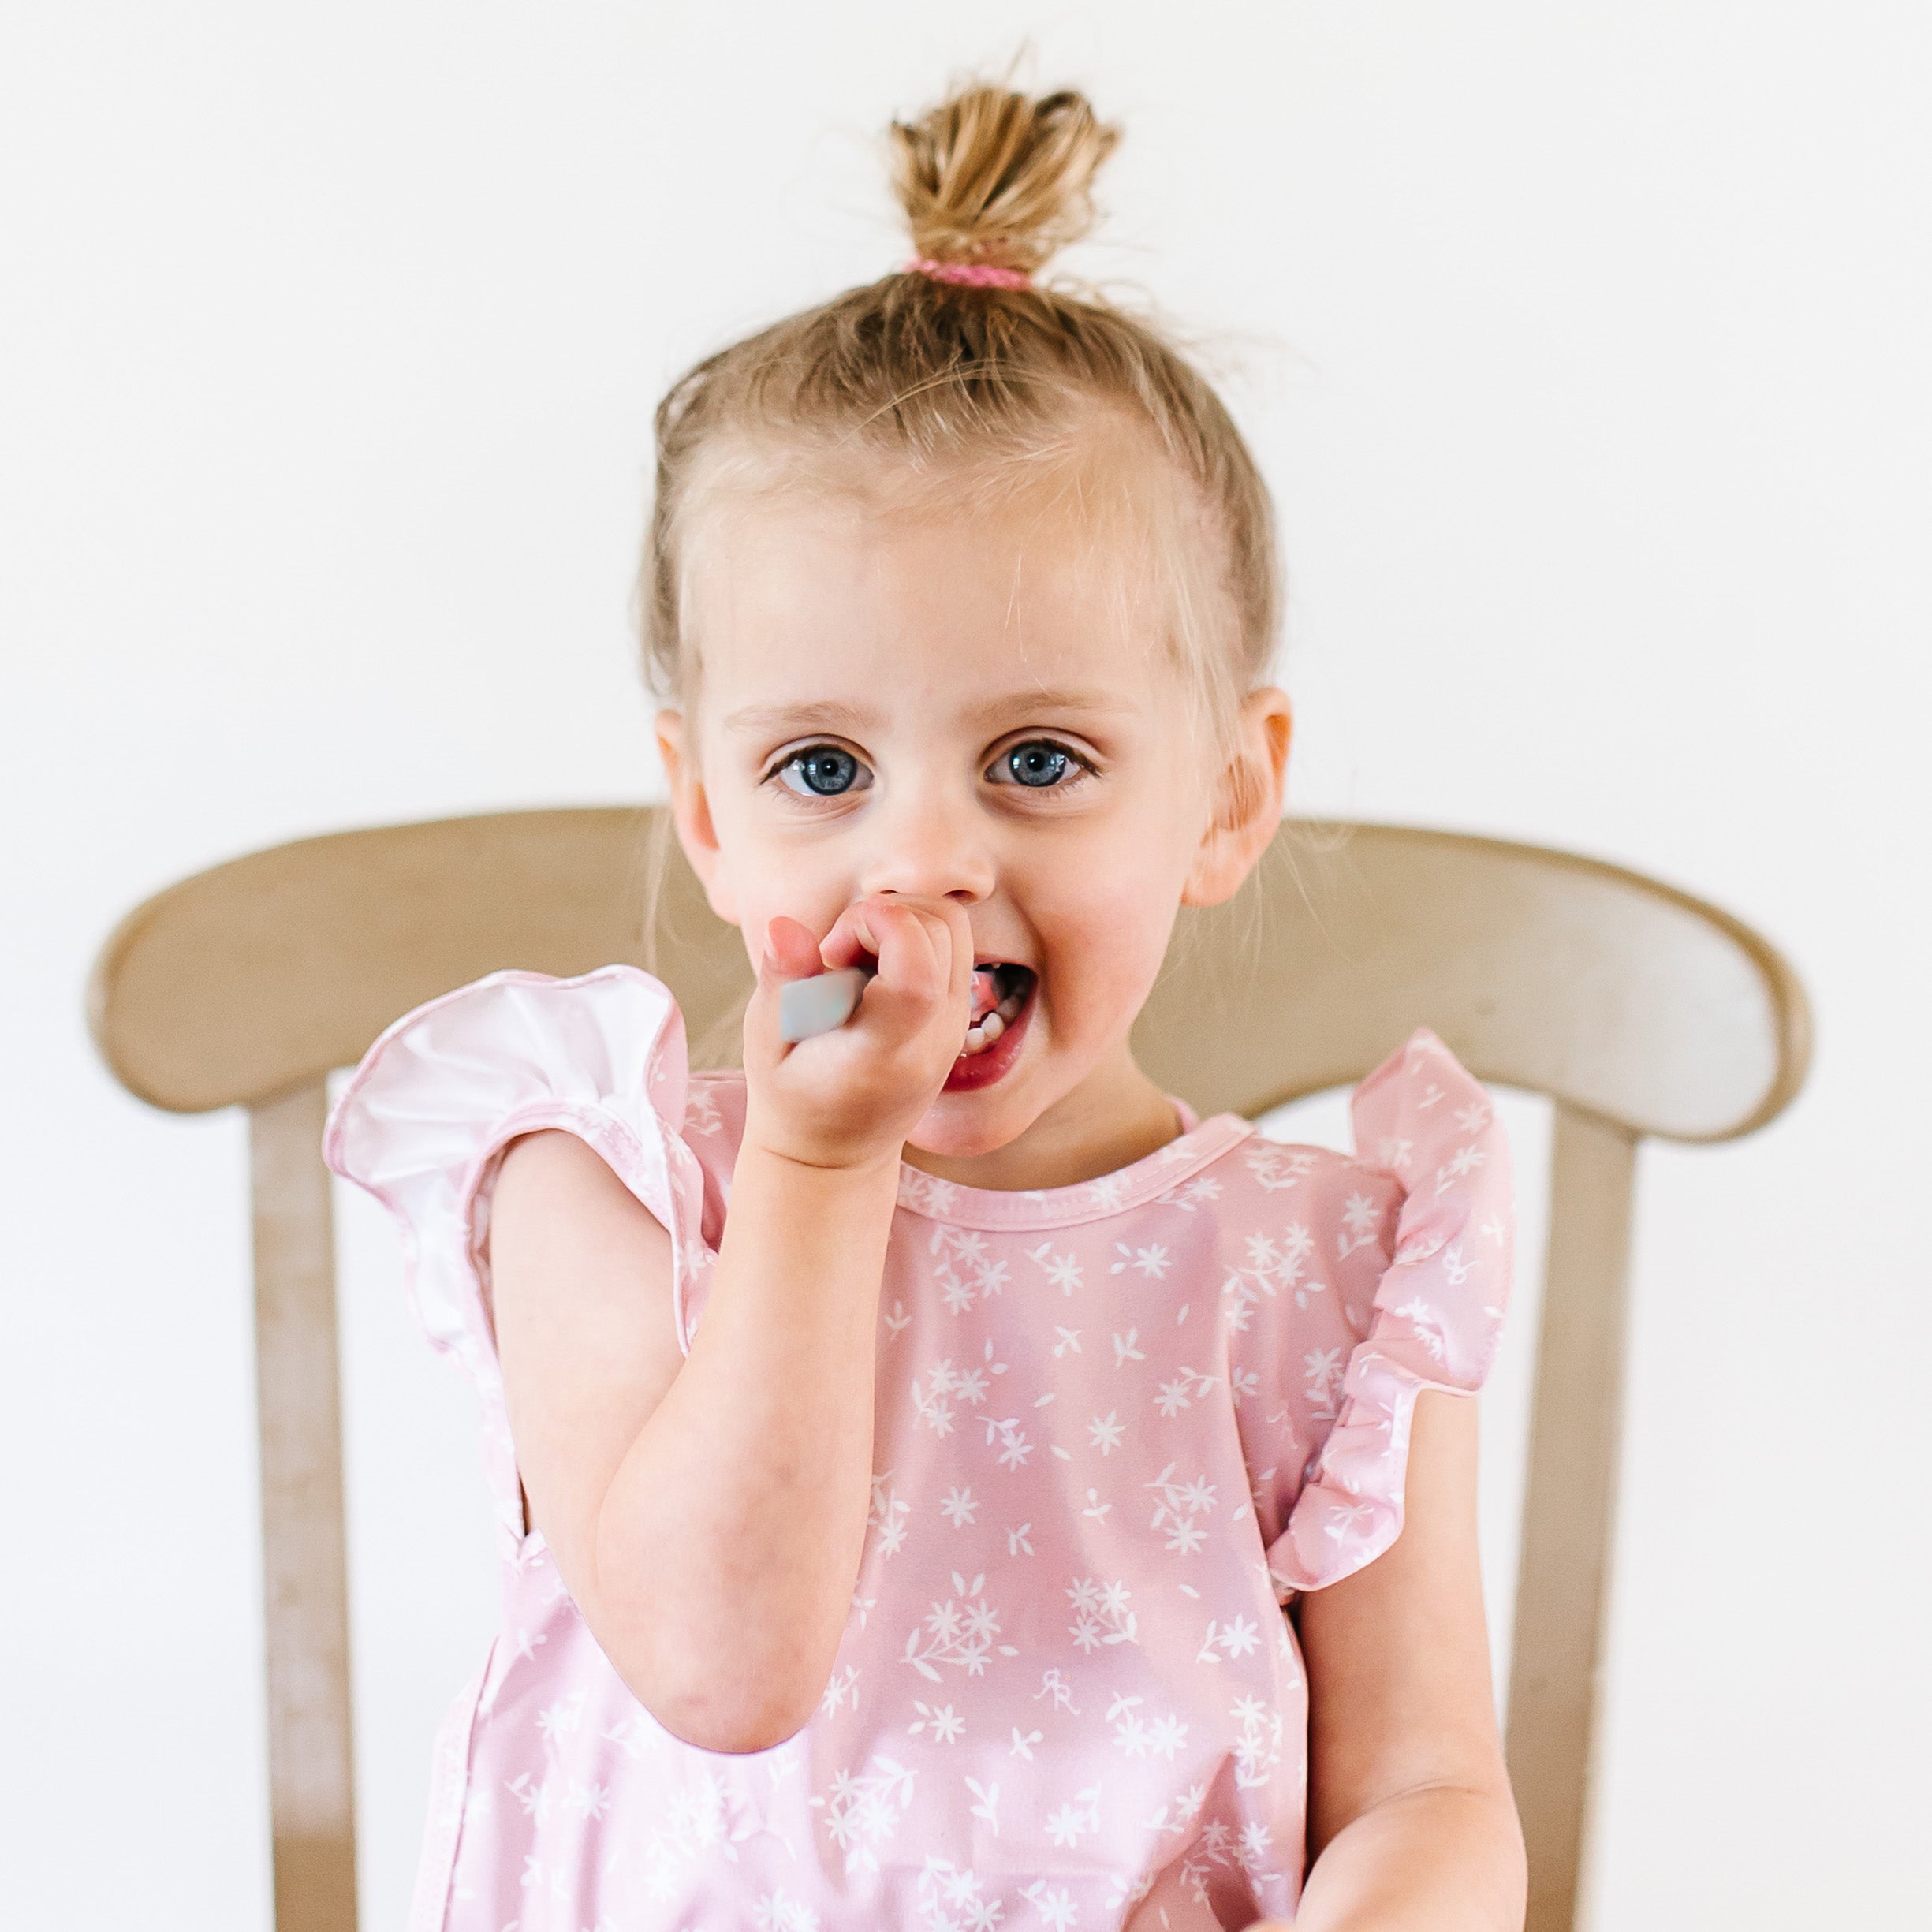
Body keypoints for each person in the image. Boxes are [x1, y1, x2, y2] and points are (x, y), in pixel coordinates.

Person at [326, 76, 1527, 1932]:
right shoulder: (606, 1195)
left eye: (1037, 757)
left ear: (1224, 794)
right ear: (706, 813)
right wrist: (816, 1174)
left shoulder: (1345, 1282)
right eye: (821, 771)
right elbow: (721, 1672)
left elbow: (1433, 1791)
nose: (924, 861)